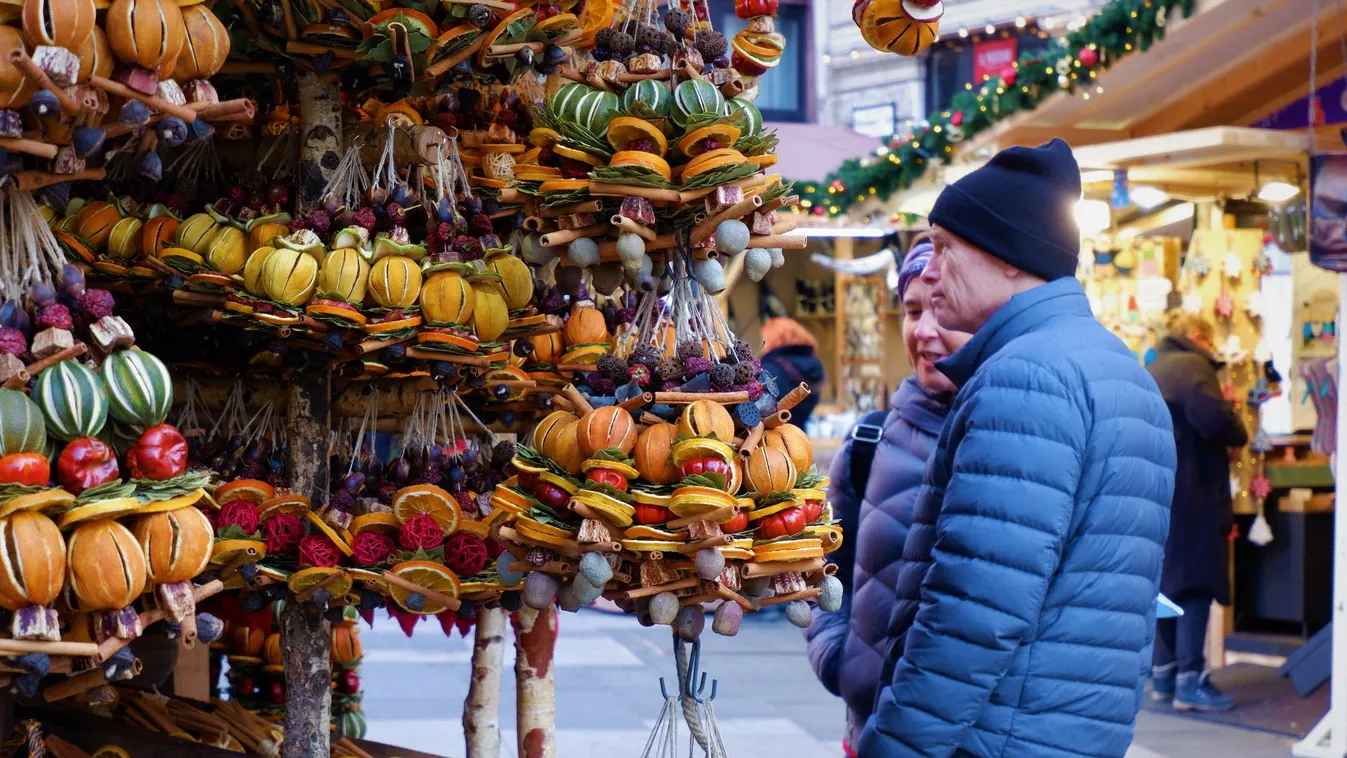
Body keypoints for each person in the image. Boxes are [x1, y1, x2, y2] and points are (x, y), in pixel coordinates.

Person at [858, 138, 1178, 758]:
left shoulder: (1023, 377)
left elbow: (972, 614)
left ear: (1009, 257)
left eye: (946, 248)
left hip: (999, 738)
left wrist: (895, 747)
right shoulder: (1120, 371)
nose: (928, 270)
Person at [804, 237, 971, 757]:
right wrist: (839, 658)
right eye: (912, 310)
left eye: (940, 310)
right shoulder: (870, 441)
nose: (924, 331)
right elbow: (822, 567)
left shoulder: (1007, 436)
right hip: (869, 727)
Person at [1146, 313, 1248, 712]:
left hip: (1160, 490)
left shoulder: (1152, 367)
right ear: (1196, 334)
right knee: (1196, 584)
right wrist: (1237, 427)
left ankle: (1164, 676)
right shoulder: (1192, 367)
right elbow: (1213, 419)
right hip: (1194, 491)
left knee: (1166, 584)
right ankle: (1191, 680)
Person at [759, 313, 825, 427]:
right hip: (800, 432)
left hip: (774, 436)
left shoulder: (771, 368)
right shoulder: (815, 364)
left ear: (774, 339)